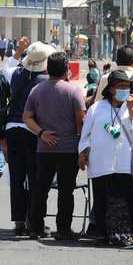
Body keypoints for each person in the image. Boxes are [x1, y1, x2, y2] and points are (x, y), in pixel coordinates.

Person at [23, 52, 86, 240]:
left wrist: (41, 133)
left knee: (40, 188)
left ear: (47, 69)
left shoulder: (36, 90)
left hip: (44, 148)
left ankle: (36, 226)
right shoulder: (73, 91)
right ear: (66, 69)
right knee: (66, 190)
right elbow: (81, 120)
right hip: (68, 148)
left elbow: (26, 117)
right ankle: (63, 228)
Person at [78, 70, 133, 247]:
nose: (124, 90)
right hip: (101, 162)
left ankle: (132, 234)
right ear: (111, 89)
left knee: (130, 199)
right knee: (102, 198)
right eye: (121, 87)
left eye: (127, 87)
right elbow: (85, 134)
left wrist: (132, 112)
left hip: (126, 163)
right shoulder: (96, 108)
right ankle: (103, 234)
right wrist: (83, 153)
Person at [2, 38, 54, 236]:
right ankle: (34, 220)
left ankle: (18, 221)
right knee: (35, 177)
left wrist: (19, 50)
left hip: (12, 128)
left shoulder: (15, 74)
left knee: (17, 176)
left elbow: (7, 66)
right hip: (33, 130)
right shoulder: (44, 82)